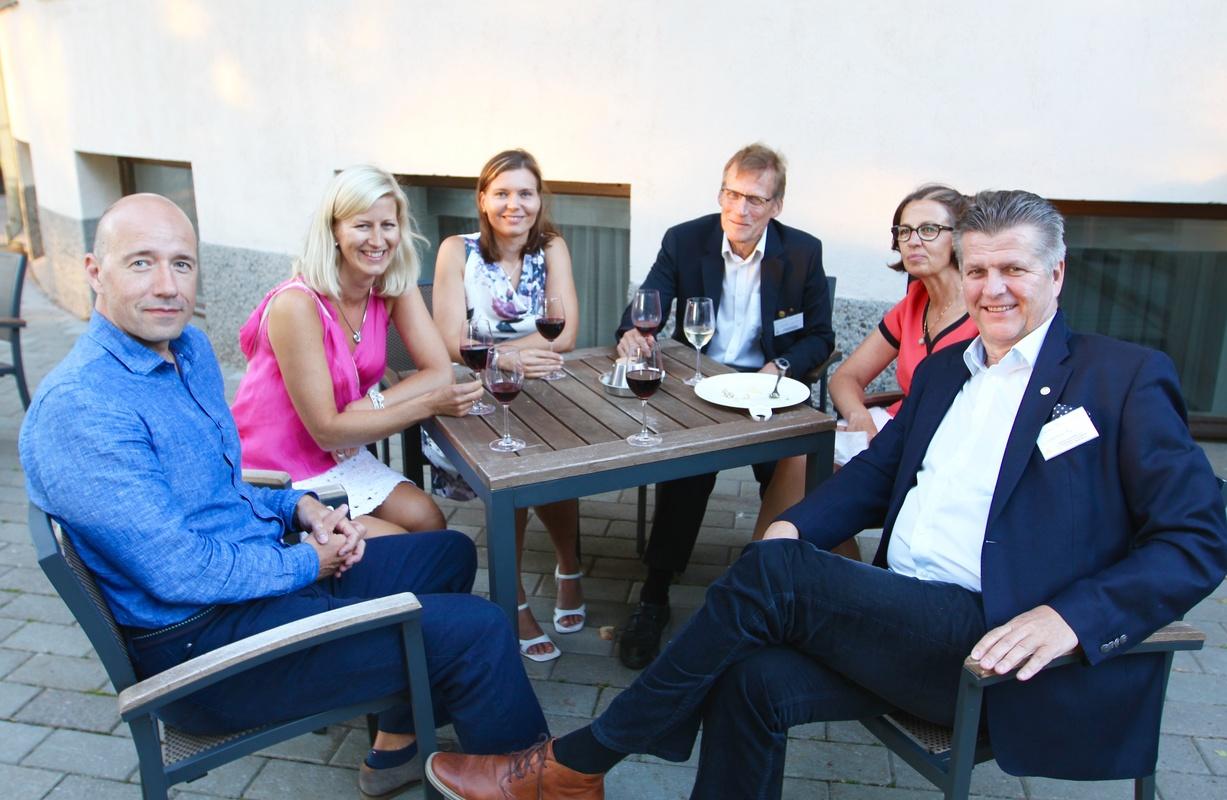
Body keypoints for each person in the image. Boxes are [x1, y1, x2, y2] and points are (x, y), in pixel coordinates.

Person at [422, 189, 1227, 800]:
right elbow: (875, 477)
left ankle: (575, 762)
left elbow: (1197, 536)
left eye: (1013, 269)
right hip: (900, 617)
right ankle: (582, 768)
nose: (992, 289)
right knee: (751, 678)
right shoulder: (945, 371)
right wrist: (795, 529)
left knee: (772, 581)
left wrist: (1072, 618)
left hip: (995, 640)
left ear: (1055, 273)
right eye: (977, 269)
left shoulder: (1118, 378)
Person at [18, 194, 549, 799]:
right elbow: (179, 570)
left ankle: (399, 742)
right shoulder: (83, 409)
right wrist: (306, 561)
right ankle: (535, 784)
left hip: (258, 588)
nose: (167, 285)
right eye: (141, 262)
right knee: (477, 631)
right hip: (208, 653)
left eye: (182, 263)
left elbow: (220, 488)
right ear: (95, 271)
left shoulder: (184, 351)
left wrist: (300, 508)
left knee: (447, 554)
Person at [613, 143, 834, 669]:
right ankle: (655, 593)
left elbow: (821, 337)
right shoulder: (685, 240)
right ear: (720, 194)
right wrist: (634, 334)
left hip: (768, 390)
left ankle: (779, 593)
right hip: (699, 386)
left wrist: (779, 368)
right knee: (686, 471)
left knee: (790, 474)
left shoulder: (802, 252)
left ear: (776, 206)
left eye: (756, 199)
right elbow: (647, 306)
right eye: (732, 195)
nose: (741, 209)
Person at [231, 165, 483, 539]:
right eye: (363, 226)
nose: (378, 240)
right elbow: (327, 431)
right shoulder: (297, 304)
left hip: (340, 449)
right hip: (276, 468)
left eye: (388, 225)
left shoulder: (390, 285)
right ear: (334, 230)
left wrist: (369, 405)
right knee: (397, 541)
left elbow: (439, 372)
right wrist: (426, 405)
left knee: (428, 520)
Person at [753, 184, 978, 554]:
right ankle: (773, 567)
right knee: (803, 455)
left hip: (936, 450)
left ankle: (770, 569)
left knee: (814, 479)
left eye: (929, 229)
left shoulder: (983, 313)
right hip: (889, 433)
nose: (913, 241)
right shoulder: (914, 304)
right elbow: (847, 376)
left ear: (960, 237)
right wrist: (858, 415)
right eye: (904, 231)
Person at [431, 149, 584, 662]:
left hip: (543, 385)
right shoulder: (457, 250)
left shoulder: (552, 247)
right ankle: (514, 598)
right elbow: (451, 341)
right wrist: (511, 357)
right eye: (501, 193)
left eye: (525, 193)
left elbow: (566, 334)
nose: (514, 204)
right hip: (478, 391)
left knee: (561, 460)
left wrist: (509, 354)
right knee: (515, 474)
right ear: (482, 199)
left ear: (540, 199)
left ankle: (569, 567)